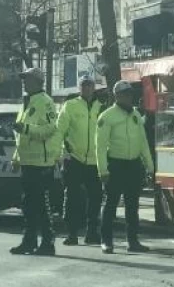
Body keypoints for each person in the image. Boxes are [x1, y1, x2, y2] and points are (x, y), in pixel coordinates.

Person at [96, 80, 154, 254]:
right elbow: (99, 146)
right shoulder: (107, 116)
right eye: (125, 94)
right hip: (116, 164)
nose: (129, 97)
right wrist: (103, 170)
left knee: (132, 205)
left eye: (130, 94)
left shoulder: (135, 115)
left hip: (133, 165)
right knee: (111, 205)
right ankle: (106, 241)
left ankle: (133, 241)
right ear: (117, 96)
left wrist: (150, 166)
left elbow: (143, 142)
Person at [9, 67, 61, 256]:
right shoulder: (27, 102)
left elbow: (49, 129)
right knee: (29, 205)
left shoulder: (45, 102)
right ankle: (29, 241)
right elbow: (20, 136)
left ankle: (48, 242)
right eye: (24, 79)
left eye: (28, 79)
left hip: (41, 163)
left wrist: (27, 128)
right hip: (28, 162)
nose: (24, 82)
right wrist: (16, 157)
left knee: (40, 204)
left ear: (39, 82)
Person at [56, 75, 104, 246]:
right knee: (72, 198)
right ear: (79, 88)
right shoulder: (70, 106)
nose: (87, 88)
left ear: (94, 88)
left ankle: (92, 232)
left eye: (90, 85)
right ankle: (72, 233)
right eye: (84, 85)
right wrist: (60, 154)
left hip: (95, 161)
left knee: (95, 198)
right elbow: (59, 130)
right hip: (74, 159)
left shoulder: (101, 107)